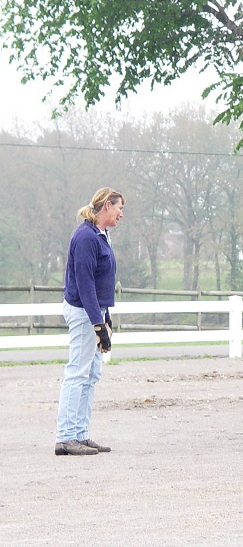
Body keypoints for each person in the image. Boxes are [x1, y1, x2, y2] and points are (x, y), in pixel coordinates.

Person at [55, 188, 125, 456]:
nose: (121, 214)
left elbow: (99, 283)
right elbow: (85, 284)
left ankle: (79, 434)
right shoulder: (86, 237)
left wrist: (105, 318)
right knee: (78, 372)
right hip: (84, 313)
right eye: (119, 208)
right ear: (107, 205)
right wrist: (97, 324)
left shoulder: (101, 235)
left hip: (94, 312)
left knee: (91, 374)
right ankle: (65, 437)